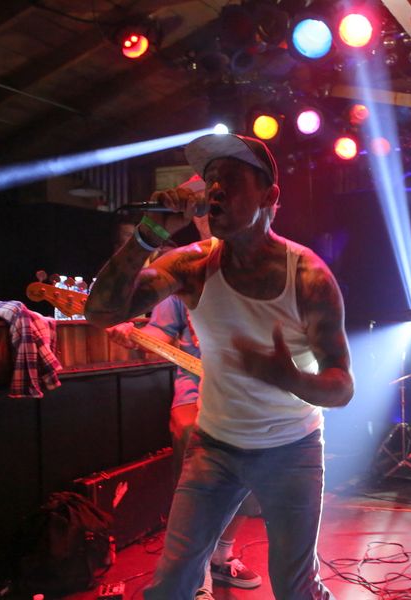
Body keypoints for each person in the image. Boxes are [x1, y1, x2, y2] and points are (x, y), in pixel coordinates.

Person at [86, 133, 353, 600]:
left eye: (229, 179)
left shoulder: (308, 277)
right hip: (215, 449)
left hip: (291, 448)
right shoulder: (192, 266)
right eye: (209, 181)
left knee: (295, 589)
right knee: (171, 585)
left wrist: (290, 378)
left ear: (269, 195)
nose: (214, 191)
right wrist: (148, 235)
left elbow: (342, 386)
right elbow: (100, 313)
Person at [106, 206, 262, 593]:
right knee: (194, 444)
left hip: (248, 390)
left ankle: (221, 555)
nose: (215, 216)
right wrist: (133, 336)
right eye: (207, 210)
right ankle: (198, 571)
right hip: (195, 386)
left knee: (258, 467)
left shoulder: (263, 265)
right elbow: (161, 332)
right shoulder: (183, 267)